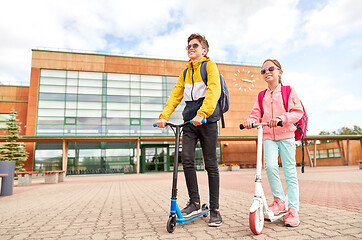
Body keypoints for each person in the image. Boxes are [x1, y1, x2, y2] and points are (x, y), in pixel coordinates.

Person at [156, 33, 222, 227]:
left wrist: (203, 113)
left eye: (195, 45)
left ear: (204, 50)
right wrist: (164, 116)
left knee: (210, 164)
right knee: (186, 159)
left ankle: (215, 209)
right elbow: (175, 95)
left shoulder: (209, 66)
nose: (190, 48)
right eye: (188, 46)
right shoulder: (185, 72)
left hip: (207, 120)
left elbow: (214, 90)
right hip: (190, 123)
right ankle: (194, 202)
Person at [242, 59, 304, 227]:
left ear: (280, 72)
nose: (267, 72)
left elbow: (297, 112)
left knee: (290, 172)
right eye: (263, 71)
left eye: (270, 69)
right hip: (268, 136)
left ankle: (293, 209)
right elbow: (256, 113)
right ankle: (279, 201)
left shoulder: (288, 90)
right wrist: (250, 121)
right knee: (269, 167)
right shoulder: (261, 95)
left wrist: (281, 119)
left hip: (286, 135)